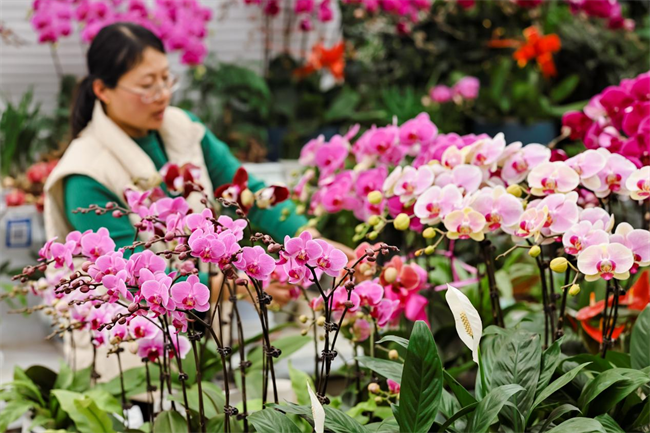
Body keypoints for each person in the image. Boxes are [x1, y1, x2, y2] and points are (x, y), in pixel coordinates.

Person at [44, 22, 352, 306]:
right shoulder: (85, 175)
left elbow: (246, 194)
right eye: (148, 85)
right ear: (102, 90)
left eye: (166, 78)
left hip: (210, 325)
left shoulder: (183, 128)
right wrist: (234, 285)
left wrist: (314, 246)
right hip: (130, 348)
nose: (163, 95)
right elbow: (132, 276)